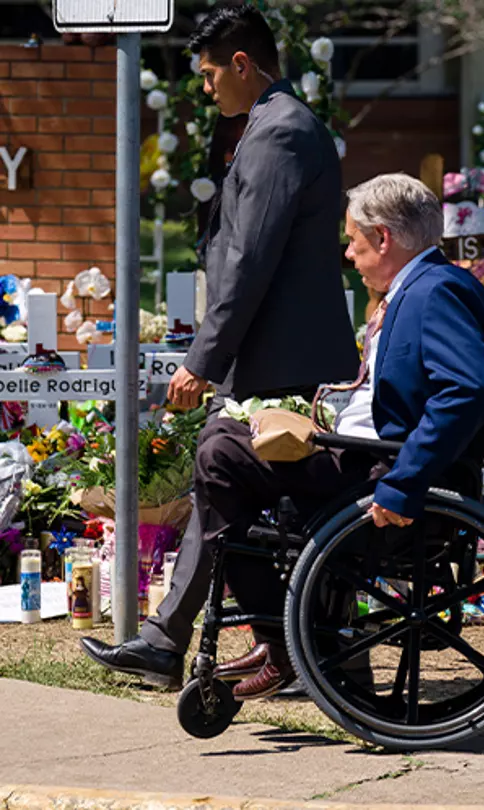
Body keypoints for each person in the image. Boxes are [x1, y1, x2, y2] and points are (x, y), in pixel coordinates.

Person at [85, 174, 484, 699]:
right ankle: (296, 641)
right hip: (362, 459)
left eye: (353, 240)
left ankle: (283, 641)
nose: (348, 254)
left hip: (381, 474)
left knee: (220, 452)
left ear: (383, 238)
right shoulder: (419, 290)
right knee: (228, 444)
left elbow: (463, 392)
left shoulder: (438, 291)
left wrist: (405, 481)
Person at [81, 3, 358, 691]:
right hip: (283, 353)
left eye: (209, 75)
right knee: (233, 496)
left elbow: (249, 259)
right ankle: (190, 640)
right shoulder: (278, 126)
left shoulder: (279, 132)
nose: (206, 89)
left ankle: (181, 640)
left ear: (242, 64)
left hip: (280, 360)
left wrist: (203, 361)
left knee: (226, 484)